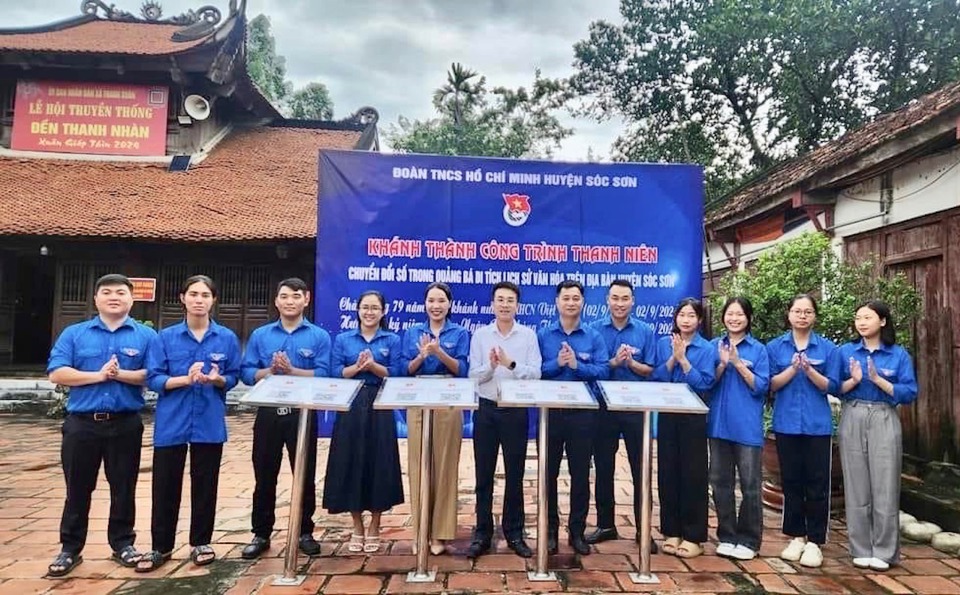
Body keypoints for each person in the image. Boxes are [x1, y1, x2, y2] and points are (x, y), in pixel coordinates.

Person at [45, 274, 157, 577]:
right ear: (95, 299)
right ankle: (70, 547)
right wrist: (99, 375)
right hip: (82, 425)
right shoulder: (75, 333)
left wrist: (119, 375)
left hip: (125, 424)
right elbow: (57, 373)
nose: (113, 297)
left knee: (124, 486)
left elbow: (153, 374)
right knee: (78, 487)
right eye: (106, 292)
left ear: (132, 299)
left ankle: (123, 543)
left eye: (121, 292)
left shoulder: (146, 337)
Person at [136, 275, 241, 572]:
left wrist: (217, 378)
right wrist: (186, 379)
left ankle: (201, 542)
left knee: (205, 484)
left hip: (208, 422)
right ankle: (161, 546)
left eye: (205, 295)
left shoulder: (226, 338)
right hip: (172, 422)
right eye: (193, 294)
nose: (199, 300)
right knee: (165, 485)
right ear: (182, 298)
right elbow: (154, 378)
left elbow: (233, 376)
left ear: (213, 300)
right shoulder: (164, 338)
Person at [239, 278, 330, 559]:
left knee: (304, 474)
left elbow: (325, 374)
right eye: (284, 296)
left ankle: (305, 531)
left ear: (307, 299)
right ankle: (261, 532)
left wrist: (292, 371)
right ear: (276, 301)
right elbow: (246, 373)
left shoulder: (318, 336)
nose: (290, 301)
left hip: (302, 413)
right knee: (264, 475)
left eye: (296, 296)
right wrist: (270, 371)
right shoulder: (261, 335)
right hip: (268, 413)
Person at [839, 300, 917, 571]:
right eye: (858, 317)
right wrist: (855, 381)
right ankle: (860, 547)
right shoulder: (846, 352)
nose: (861, 322)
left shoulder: (898, 355)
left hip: (884, 415)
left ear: (882, 321)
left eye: (868, 317)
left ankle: (884, 551)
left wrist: (879, 380)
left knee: (885, 485)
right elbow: (834, 385)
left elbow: (910, 392)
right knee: (856, 483)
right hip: (853, 413)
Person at [323, 290, 405, 552]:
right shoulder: (344, 339)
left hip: (380, 404)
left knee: (379, 462)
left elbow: (397, 373)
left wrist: (373, 367)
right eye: (365, 307)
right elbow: (335, 372)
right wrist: (358, 368)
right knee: (351, 461)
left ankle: (375, 525)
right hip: (351, 404)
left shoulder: (391, 339)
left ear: (383, 312)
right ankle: (357, 525)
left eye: (375, 308)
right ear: (357, 310)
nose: (369, 312)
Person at [466, 281, 541, 559]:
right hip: (486, 409)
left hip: (515, 411)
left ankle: (514, 531)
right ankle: (482, 532)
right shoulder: (481, 335)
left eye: (510, 300)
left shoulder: (528, 336)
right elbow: (474, 376)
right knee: (482, 475)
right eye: (500, 300)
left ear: (517, 305)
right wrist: (491, 366)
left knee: (515, 474)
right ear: (492, 304)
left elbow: (536, 373)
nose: (505, 305)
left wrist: (510, 364)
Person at [766, 294, 841, 568]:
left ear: (814, 316)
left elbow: (832, 386)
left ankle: (815, 542)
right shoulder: (775, 347)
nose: (802, 316)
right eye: (797, 311)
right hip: (786, 423)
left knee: (818, 484)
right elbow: (770, 384)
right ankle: (796, 536)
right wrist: (792, 370)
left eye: (808, 311)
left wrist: (809, 370)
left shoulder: (828, 348)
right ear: (789, 315)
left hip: (817, 426)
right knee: (792, 481)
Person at [538, 279, 609, 556]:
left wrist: (577, 365)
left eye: (575, 298)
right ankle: (550, 531)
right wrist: (558, 363)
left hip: (583, 415)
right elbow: (536, 370)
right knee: (549, 474)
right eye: (565, 298)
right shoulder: (544, 335)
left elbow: (603, 370)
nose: (570, 302)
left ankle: (577, 532)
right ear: (557, 302)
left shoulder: (593, 336)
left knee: (580, 475)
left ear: (582, 302)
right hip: (551, 413)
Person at [586, 279, 658, 549]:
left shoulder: (645, 331)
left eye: (625, 298)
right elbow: (593, 367)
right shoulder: (594, 330)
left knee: (641, 469)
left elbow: (650, 369)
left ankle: (643, 531)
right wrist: (613, 362)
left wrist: (631, 363)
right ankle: (606, 525)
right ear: (607, 300)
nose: (619, 303)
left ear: (633, 301)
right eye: (614, 298)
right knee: (604, 467)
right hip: (603, 407)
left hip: (635, 407)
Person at [401, 282, 470, 555]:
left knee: (444, 467)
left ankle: (440, 534)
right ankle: (420, 530)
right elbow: (404, 369)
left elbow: (463, 370)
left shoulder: (460, 332)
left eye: (441, 300)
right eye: (431, 300)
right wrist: (422, 355)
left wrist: (440, 352)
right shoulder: (412, 332)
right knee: (418, 465)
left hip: (449, 400)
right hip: (418, 397)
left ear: (449, 304)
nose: (436, 306)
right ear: (425, 304)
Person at [652, 297, 716, 559]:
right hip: (668, 413)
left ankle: (693, 536)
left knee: (693, 475)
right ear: (675, 318)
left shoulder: (707, 348)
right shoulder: (663, 343)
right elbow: (657, 377)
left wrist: (685, 361)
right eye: (682, 315)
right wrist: (673, 358)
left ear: (699, 320)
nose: (686, 320)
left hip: (694, 415)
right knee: (668, 473)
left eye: (691, 316)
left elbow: (705, 384)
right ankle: (671, 531)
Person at [709, 297, 770, 561]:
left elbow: (761, 387)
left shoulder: (758, 350)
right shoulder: (713, 346)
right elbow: (706, 383)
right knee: (720, 483)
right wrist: (723, 363)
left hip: (746, 427)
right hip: (718, 426)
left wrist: (738, 363)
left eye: (739, 314)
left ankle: (749, 539)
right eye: (730, 314)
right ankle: (726, 535)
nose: (734, 318)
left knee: (750, 485)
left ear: (748, 318)